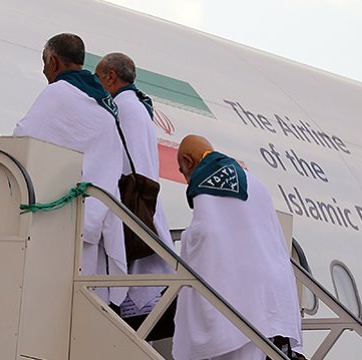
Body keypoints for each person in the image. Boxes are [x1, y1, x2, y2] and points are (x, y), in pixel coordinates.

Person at [12, 33, 127, 305]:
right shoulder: (104, 103)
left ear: (53, 61)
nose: (43, 70)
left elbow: (24, 138)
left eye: (44, 62)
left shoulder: (59, 93)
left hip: (58, 221)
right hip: (94, 216)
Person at [172, 135, 302, 360]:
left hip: (242, 300)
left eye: (182, 171)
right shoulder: (255, 182)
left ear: (188, 161)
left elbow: (206, 234)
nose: (186, 179)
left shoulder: (206, 183)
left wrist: (185, 240)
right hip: (275, 296)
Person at [96, 52, 176, 336]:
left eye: (98, 76)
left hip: (131, 202)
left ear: (111, 77)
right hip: (146, 201)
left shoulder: (120, 108)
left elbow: (118, 161)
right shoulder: (139, 107)